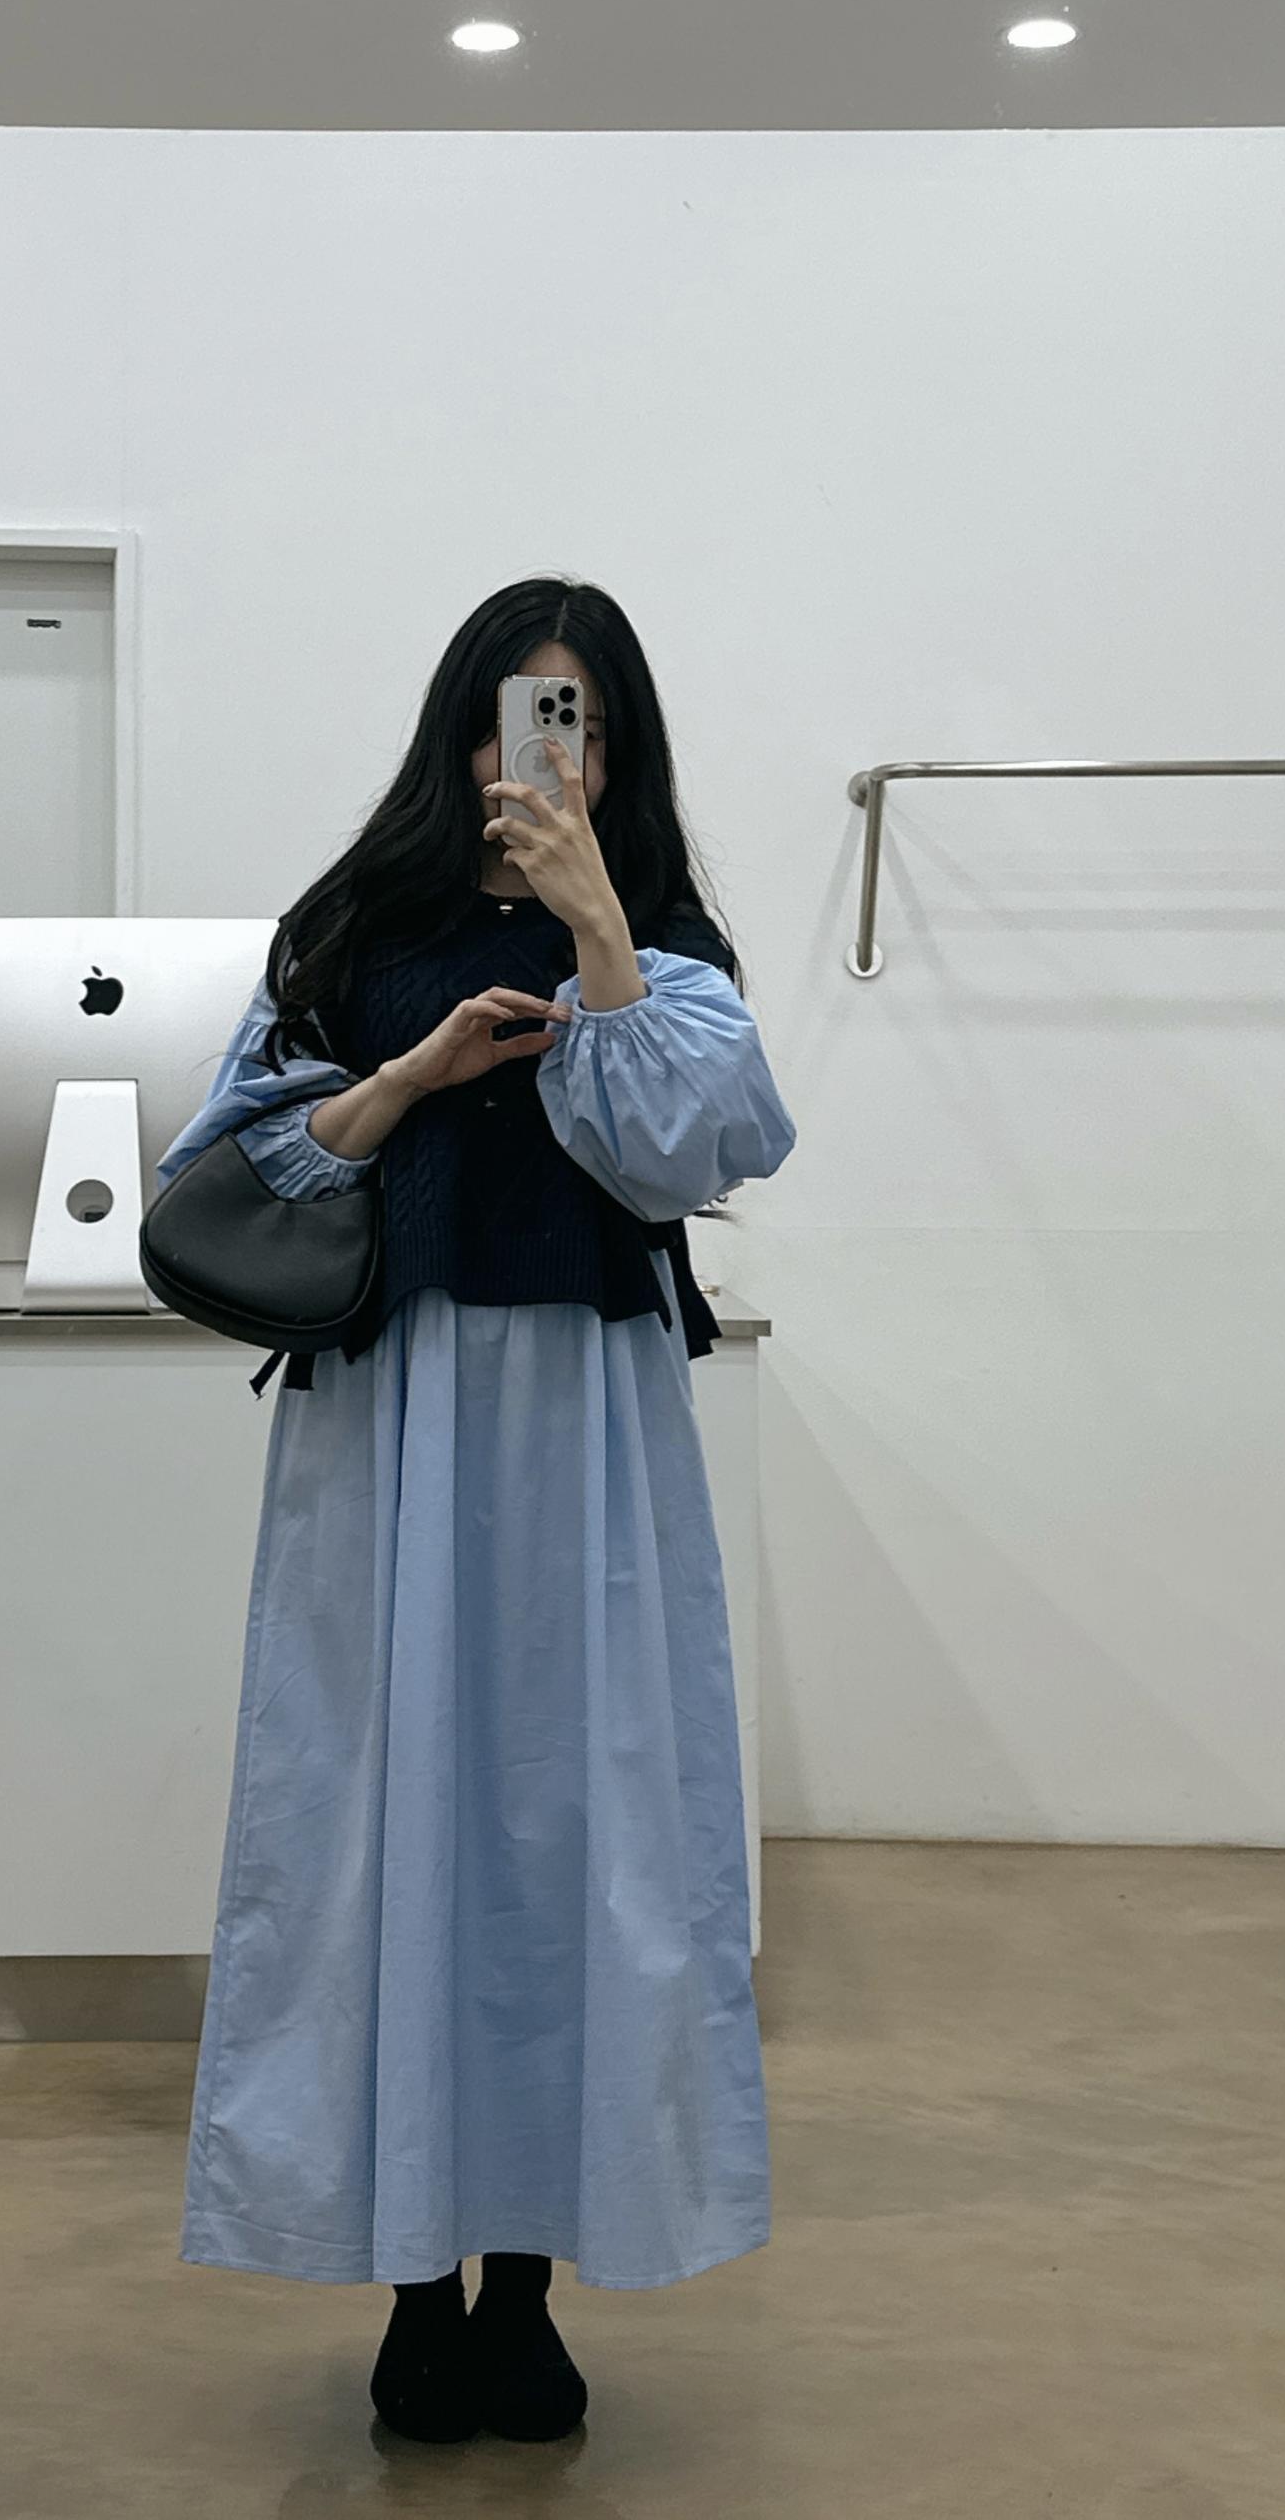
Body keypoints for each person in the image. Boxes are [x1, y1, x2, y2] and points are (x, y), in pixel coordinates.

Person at [153, 576, 798, 2445]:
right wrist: (413, 1073)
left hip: (590, 1428)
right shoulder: (352, 930)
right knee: (382, 1822)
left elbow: (688, 1151)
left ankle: (524, 2287)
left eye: (581, 718)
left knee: (574, 1832)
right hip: (393, 1419)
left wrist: (598, 926)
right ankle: (410, 2286)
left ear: (621, 748)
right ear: (464, 729)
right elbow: (233, 1169)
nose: (551, 751)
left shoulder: (664, 942)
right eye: (525, 710)